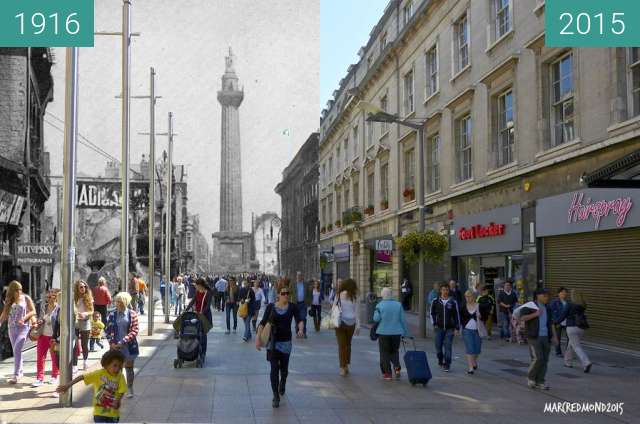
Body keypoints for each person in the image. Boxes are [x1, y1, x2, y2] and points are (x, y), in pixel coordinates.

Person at [255, 279, 304, 408]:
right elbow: (263, 323)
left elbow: (299, 319)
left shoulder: (292, 306)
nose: (286, 295)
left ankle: (283, 382)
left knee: (284, 370)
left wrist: (300, 329)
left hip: (286, 342)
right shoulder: (271, 307)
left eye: (288, 293)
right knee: (274, 369)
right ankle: (275, 395)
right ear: (278, 295)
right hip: (273, 343)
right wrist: (258, 338)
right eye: (283, 293)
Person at [57, 349, 128, 423]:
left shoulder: (120, 376)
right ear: (106, 364)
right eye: (115, 365)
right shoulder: (98, 374)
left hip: (113, 414)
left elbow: (122, 390)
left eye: (120, 366)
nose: (117, 369)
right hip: (99, 413)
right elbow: (82, 377)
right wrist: (67, 386)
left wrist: (117, 400)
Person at [0, 281, 36, 384]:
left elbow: (33, 311)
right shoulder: (9, 300)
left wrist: (24, 319)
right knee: (17, 351)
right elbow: (4, 313)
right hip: (11, 328)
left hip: (23, 328)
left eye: (20, 289)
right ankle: (20, 372)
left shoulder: (26, 298)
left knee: (17, 349)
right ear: (12, 290)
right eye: (16, 290)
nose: (19, 291)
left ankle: (16, 374)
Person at [520, 288, 556, 390]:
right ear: (538, 296)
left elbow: (551, 323)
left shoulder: (547, 307)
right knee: (538, 358)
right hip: (534, 336)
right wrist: (535, 314)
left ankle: (540, 381)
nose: (547, 298)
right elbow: (522, 317)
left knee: (545, 360)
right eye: (545, 296)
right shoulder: (530, 305)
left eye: (548, 296)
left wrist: (554, 337)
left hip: (546, 337)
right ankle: (531, 378)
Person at [106, 292, 139, 398]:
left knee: (129, 369)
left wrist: (123, 341)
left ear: (126, 302)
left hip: (128, 346)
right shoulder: (112, 314)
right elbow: (107, 330)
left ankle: (130, 388)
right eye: (117, 301)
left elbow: (134, 330)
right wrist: (112, 343)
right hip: (115, 347)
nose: (118, 304)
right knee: (116, 369)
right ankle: (117, 389)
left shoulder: (132, 314)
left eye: (121, 302)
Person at [373, 287, 409, 380]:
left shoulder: (379, 305)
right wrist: (406, 333)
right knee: (394, 351)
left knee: (384, 353)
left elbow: (376, 319)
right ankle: (397, 367)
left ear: (382, 295)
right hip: (396, 332)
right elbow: (403, 320)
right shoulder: (398, 305)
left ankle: (388, 374)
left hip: (383, 332)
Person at [430, 282, 461, 372]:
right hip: (438, 328)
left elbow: (456, 315)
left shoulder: (453, 302)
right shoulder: (435, 301)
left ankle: (447, 364)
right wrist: (434, 324)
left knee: (448, 346)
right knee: (438, 346)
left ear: (449, 291)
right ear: (440, 291)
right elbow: (432, 314)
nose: (445, 292)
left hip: (450, 329)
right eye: (443, 290)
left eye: (447, 290)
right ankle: (440, 359)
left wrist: (457, 328)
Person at [33, 288, 60, 387]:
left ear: (56, 297)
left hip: (53, 336)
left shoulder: (59, 308)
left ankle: (54, 376)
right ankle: (39, 378)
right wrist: (39, 321)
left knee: (54, 357)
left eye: (52, 295)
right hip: (43, 335)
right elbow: (40, 318)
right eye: (48, 296)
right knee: (40, 357)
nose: (50, 297)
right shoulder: (44, 307)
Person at [334, 278, 360, 376]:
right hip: (351, 324)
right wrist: (358, 325)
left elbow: (334, 308)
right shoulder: (355, 296)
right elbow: (357, 313)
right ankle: (346, 365)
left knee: (341, 346)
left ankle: (342, 367)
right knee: (348, 345)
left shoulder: (338, 295)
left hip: (340, 323)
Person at [563, 289, 592, 373]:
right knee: (571, 344)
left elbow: (563, 315)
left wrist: (556, 322)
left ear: (573, 296)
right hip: (581, 327)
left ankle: (586, 362)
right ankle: (567, 361)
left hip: (571, 327)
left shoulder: (569, 304)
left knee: (576, 346)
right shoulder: (583, 305)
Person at [186, 277, 213, 357]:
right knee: (196, 333)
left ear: (200, 285)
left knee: (203, 334)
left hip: (205, 316)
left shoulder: (208, 293)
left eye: (196, 285)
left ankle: (203, 352)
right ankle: (196, 350)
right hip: (197, 315)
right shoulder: (197, 292)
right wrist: (186, 309)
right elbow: (193, 301)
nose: (195, 287)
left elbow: (208, 306)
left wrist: (202, 312)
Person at [74, 279, 94, 372]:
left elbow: (91, 311)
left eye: (84, 287)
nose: (83, 288)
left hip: (85, 322)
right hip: (75, 322)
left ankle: (85, 361)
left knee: (84, 344)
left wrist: (85, 314)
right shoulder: (74, 298)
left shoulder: (88, 297)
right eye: (81, 287)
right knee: (74, 344)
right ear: (77, 289)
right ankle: (74, 364)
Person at [460, 290, 482, 374]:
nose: (468, 298)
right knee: (470, 348)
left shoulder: (479, 306)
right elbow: (460, 318)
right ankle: (470, 368)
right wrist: (458, 328)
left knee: (477, 349)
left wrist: (481, 316)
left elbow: (485, 316)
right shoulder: (462, 306)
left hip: (477, 330)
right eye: (466, 296)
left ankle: (474, 361)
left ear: (474, 297)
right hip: (467, 330)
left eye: (469, 296)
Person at [289, 271, 312, 338]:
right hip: (295, 304)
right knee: (297, 318)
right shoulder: (293, 284)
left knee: (303, 317)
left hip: (303, 304)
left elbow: (309, 294)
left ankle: (303, 332)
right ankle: (298, 332)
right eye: (298, 275)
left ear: (302, 276)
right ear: (296, 276)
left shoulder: (306, 284)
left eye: (300, 275)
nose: (299, 277)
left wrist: (309, 302)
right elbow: (289, 293)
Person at [550, 287, 569, 357]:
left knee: (569, 338)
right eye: (562, 292)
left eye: (565, 292)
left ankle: (568, 353)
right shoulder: (554, 302)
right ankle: (558, 352)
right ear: (558, 293)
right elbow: (552, 312)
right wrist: (555, 321)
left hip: (567, 322)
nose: (564, 293)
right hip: (558, 322)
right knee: (557, 337)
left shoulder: (568, 302)